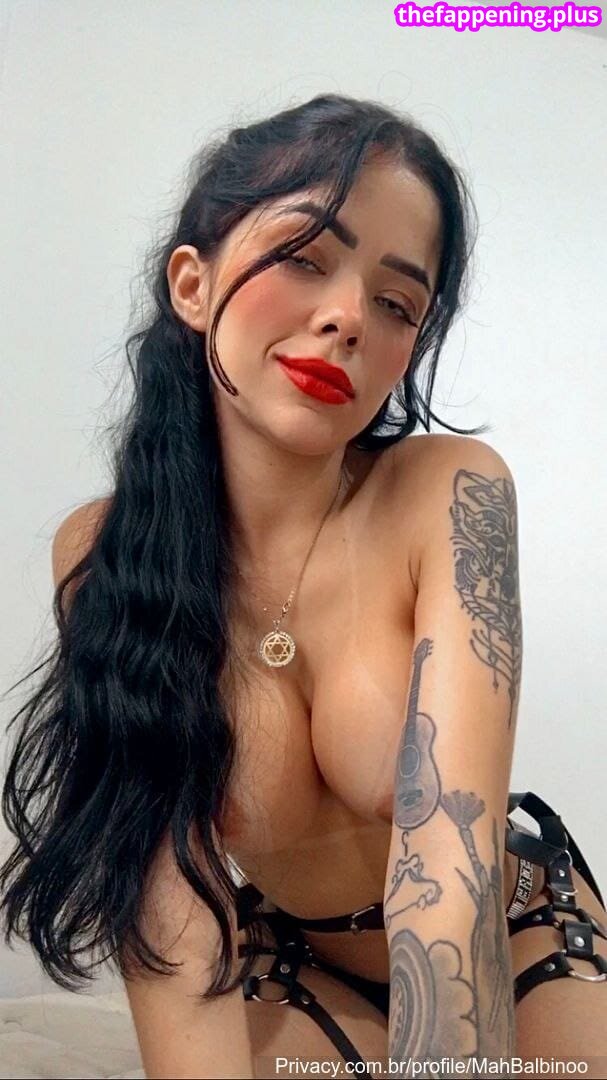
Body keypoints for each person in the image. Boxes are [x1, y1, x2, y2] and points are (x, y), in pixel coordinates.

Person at [1, 93, 606, 1079]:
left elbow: (446, 875)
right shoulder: (105, 552)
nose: (346, 317)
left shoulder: (449, 492)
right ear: (192, 284)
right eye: (302, 256)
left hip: (513, 939)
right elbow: (172, 913)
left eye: (396, 304)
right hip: (291, 965)